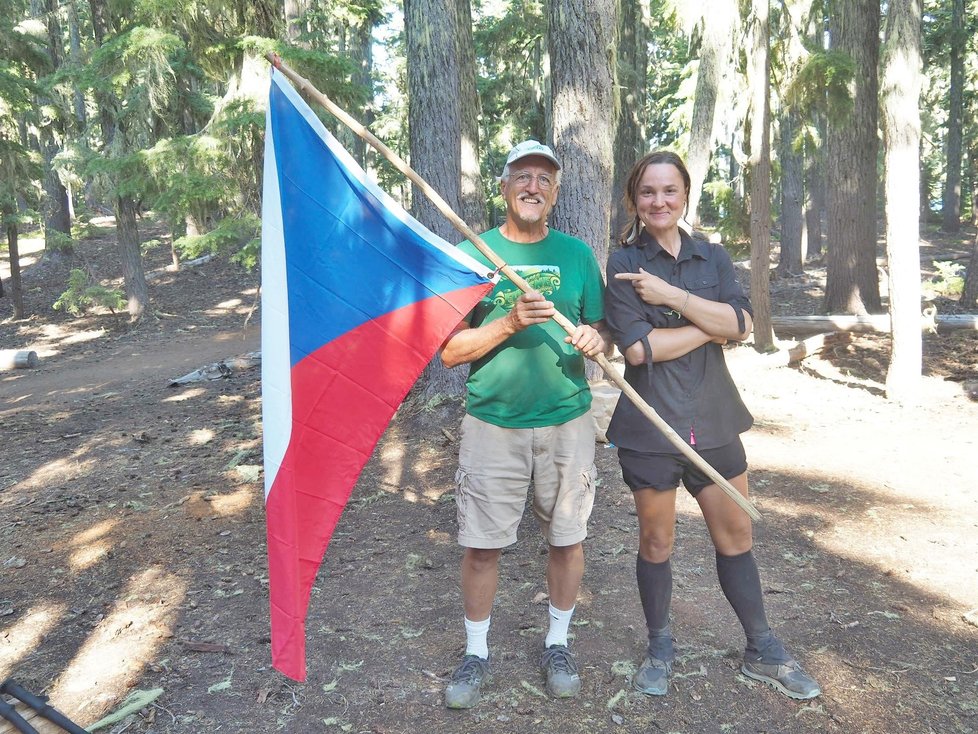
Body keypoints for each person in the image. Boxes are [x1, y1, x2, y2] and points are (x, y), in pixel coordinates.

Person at [603, 150, 821, 701]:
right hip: (650, 429)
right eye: (648, 192)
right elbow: (637, 349)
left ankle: (761, 648)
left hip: (716, 420)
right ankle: (659, 646)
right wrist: (711, 323)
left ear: (684, 195)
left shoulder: (713, 257)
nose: (658, 201)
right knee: (656, 540)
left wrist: (677, 300)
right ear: (635, 200)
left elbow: (745, 324)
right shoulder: (622, 262)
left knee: (736, 535)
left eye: (669, 191)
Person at [439, 140, 609, 709]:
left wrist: (595, 339)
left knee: (567, 538)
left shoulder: (578, 255)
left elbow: (601, 330)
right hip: (493, 425)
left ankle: (558, 642)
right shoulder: (473, 251)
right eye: (522, 177)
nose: (533, 186)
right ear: (504, 186)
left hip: (568, 423)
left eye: (544, 178)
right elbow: (449, 352)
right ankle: (476, 651)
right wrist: (509, 321)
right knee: (482, 546)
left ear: (556, 192)